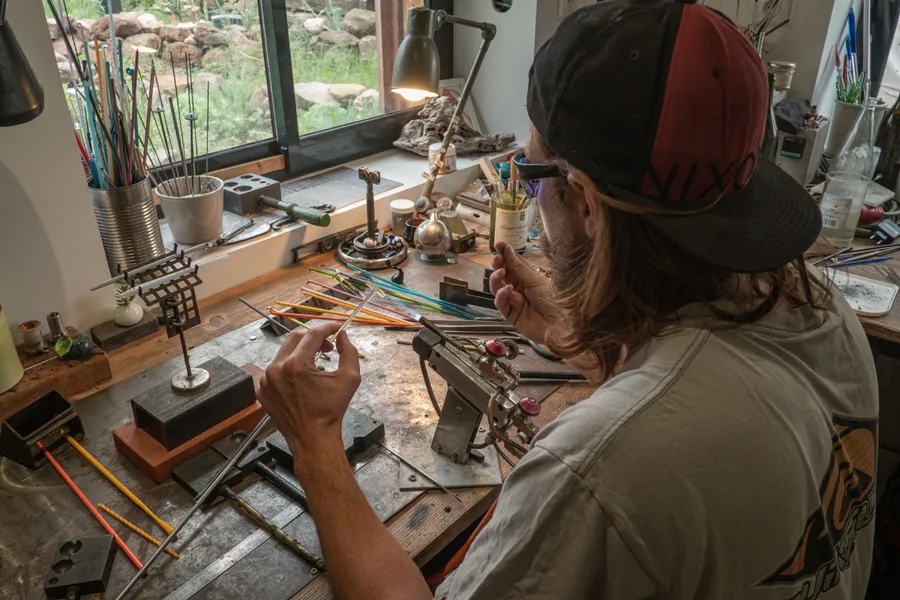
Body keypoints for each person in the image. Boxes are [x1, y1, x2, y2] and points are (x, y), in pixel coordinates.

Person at [257, 0, 879, 598]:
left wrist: (315, 445)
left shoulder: (596, 471)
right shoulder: (818, 307)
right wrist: (586, 346)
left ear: (583, 200)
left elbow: (653, 439)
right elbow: (707, 399)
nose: (528, 199)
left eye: (529, 175)